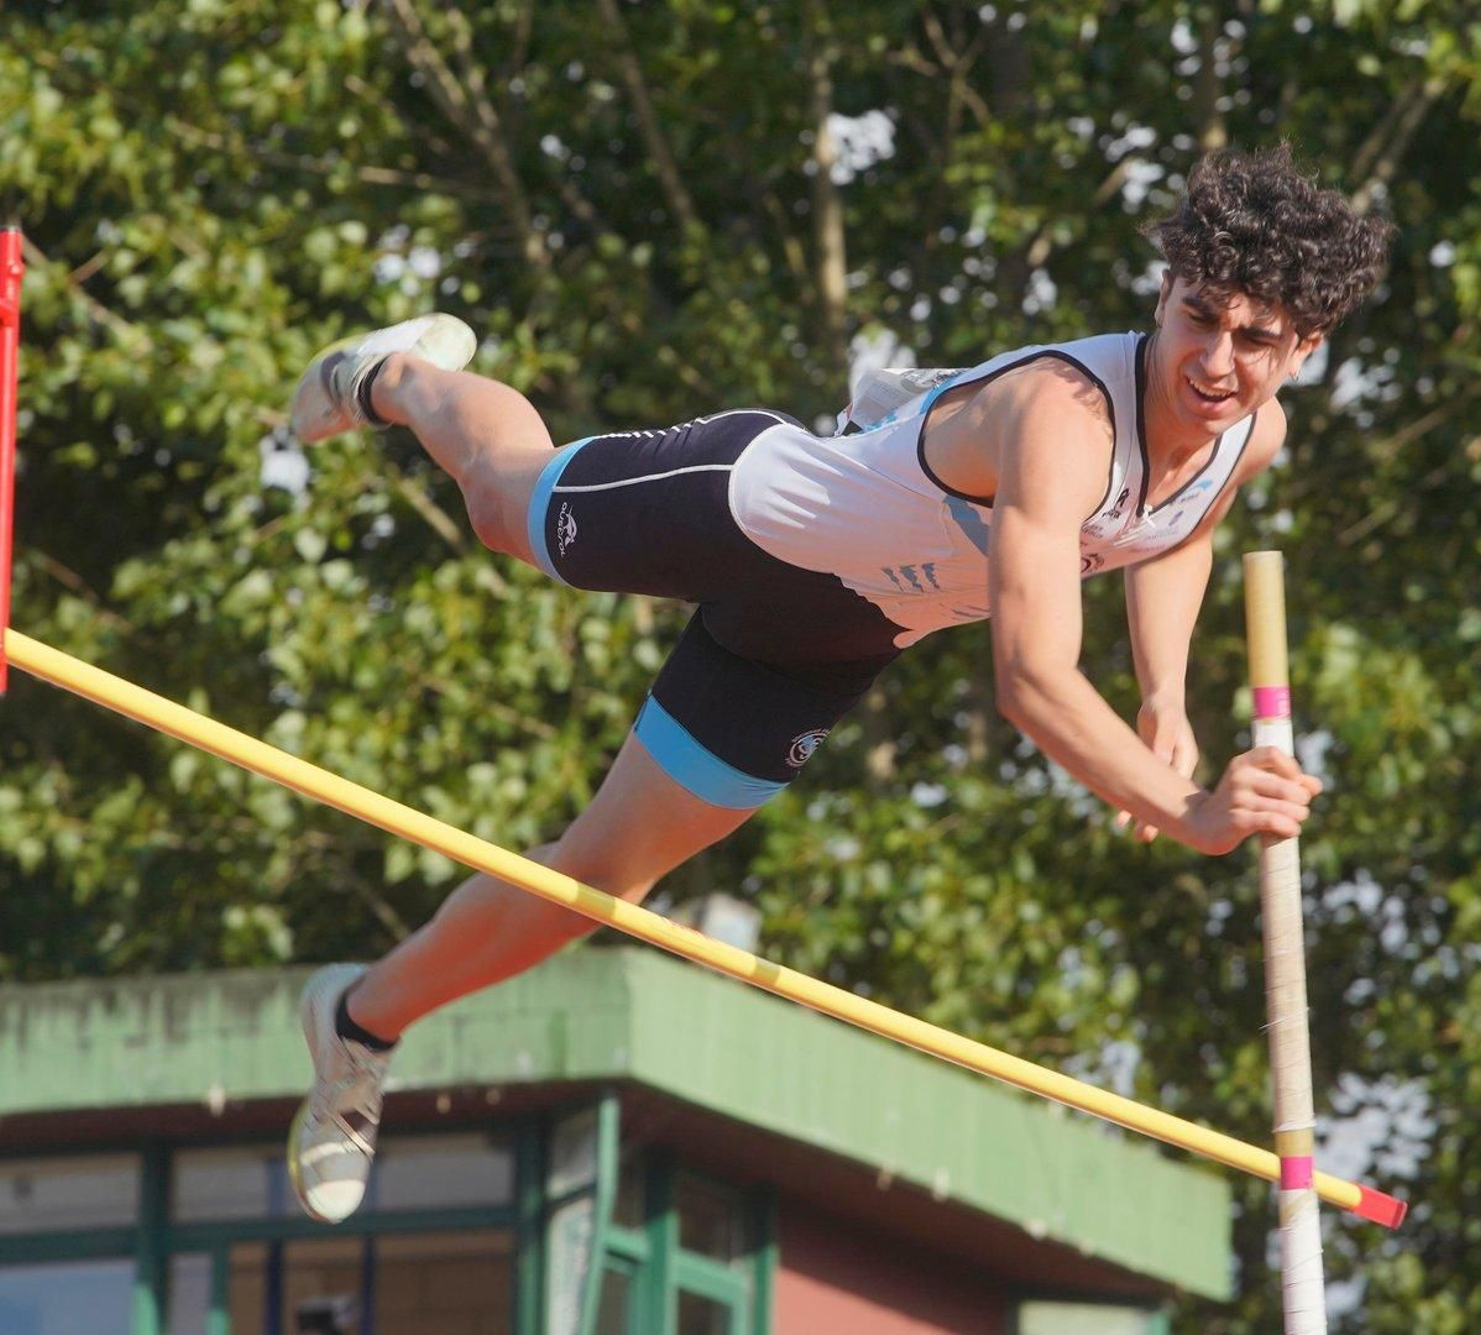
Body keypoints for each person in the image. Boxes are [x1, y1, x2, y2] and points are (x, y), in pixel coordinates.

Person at [282, 144, 1392, 1223]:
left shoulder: (1248, 435)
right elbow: (1031, 680)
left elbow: (1173, 534)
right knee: (498, 508)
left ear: (1304, 348)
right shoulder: (1066, 417)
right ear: (1164, 291)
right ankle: (398, 375)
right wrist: (1194, 817)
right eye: (1199, 316)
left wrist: (1163, 699)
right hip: (747, 513)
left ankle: (357, 1026)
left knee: (597, 880)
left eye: (1257, 341)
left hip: (824, 645)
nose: (1216, 361)